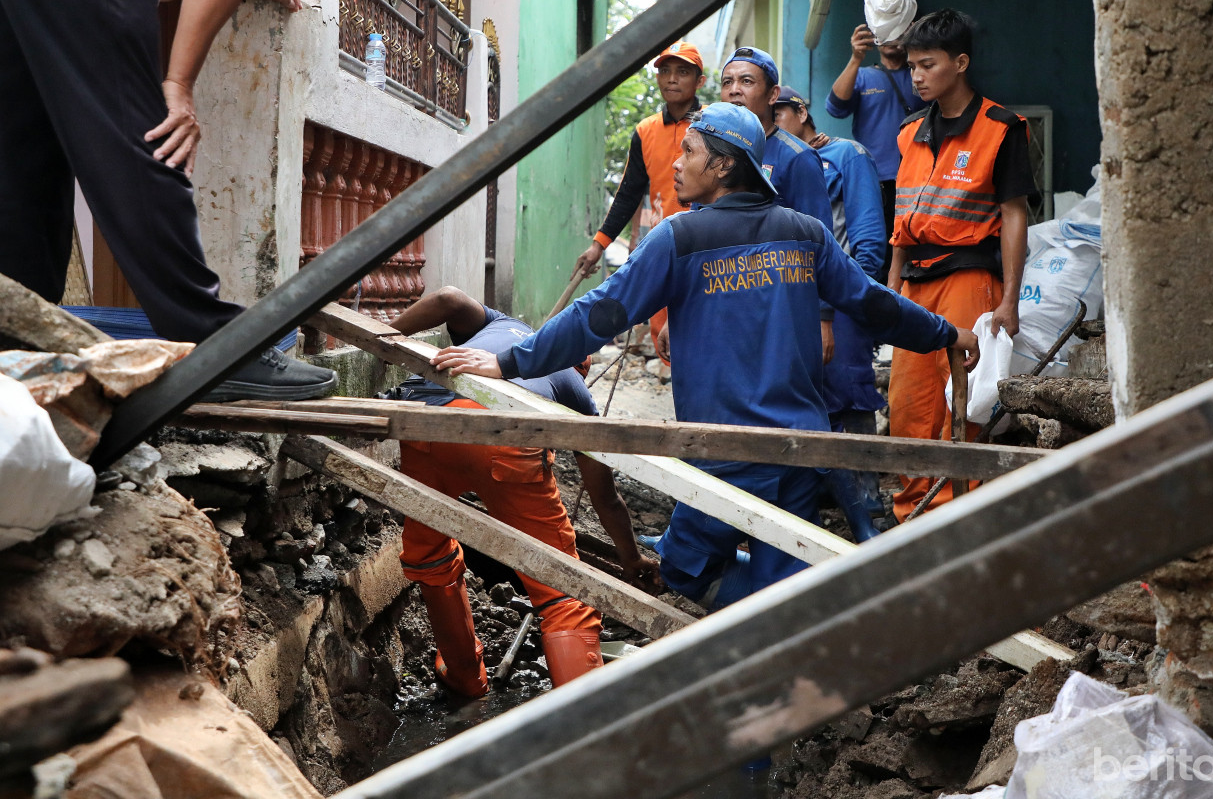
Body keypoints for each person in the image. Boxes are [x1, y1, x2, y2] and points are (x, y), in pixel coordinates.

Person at [431, 103, 978, 612]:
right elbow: (872, 302)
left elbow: (600, 314)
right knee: (782, 587)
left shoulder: (680, 238)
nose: (676, 161)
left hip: (725, 455)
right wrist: (945, 332)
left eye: (689, 151)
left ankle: (787, 625)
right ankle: (796, 633)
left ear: (722, 167)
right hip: (801, 451)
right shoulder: (805, 232)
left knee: (684, 568)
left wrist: (509, 362)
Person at [0, 0, 337, 401]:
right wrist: (177, 86)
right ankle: (214, 343)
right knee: (149, 140)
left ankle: (16, 340)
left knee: (23, 152)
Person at [382, 287, 661, 697]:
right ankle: (586, 728)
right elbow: (604, 496)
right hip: (505, 440)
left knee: (430, 554)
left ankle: (464, 677)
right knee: (563, 589)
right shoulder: (573, 387)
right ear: (580, 362)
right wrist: (631, 557)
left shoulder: (502, 324)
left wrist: (381, 340)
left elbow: (446, 299)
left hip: (424, 422)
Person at [887, 9, 1037, 521]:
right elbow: (901, 222)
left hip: (970, 277)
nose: (917, 76)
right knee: (907, 406)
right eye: (911, 67)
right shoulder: (910, 132)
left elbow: (1014, 217)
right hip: (914, 283)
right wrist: (890, 293)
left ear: (961, 62)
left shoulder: (1002, 129)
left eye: (928, 65)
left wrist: (1010, 300)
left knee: (960, 404)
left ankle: (959, 521)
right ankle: (912, 517)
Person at [772, 86, 888, 542]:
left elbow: (868, 238)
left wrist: (850, 297)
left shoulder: (846, 154)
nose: (773, 121)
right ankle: (815, 505)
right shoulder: (771, 160)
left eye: (779, 112)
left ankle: (871, 510)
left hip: (838, 299)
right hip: (789, 305)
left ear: (801, 112)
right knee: (802, 400)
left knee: (850, 393)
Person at [571, 41, 707, 365]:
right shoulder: (645, 131)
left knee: (699, 328)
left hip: (704, 243)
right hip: (662, 244)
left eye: (683, 71)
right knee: (665, 335)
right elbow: (629, 192)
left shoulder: (711, 125)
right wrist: (599, 245)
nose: (672, 79)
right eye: (666, 71)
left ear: (699, 81)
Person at [718, 46, 838, 363]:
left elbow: (820, 239)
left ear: (772, 95)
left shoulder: (797, 157)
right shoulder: (712, 153)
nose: (734, 90)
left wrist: (823, 316)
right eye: (727, 82)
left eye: (746, 81)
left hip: (778, 306)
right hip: (719, 300)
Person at [826, 23, 929, 254]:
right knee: (876, 250)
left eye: (899, 28)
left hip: (918, 181)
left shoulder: (922, 76)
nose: (892, 36)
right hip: (873, 184)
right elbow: (835, 107)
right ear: (875, 37)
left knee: (915, 251)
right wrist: (856, 57)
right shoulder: (863, 76)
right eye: (886, 29)